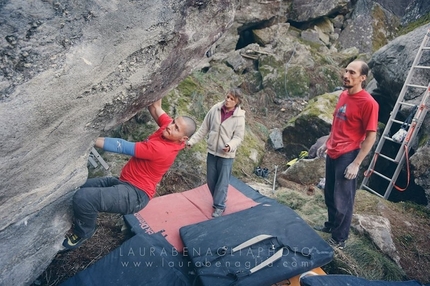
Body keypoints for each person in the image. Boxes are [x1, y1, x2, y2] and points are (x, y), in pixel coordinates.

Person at [62, 98, 196, 250]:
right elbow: (155, 107)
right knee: (78, 189)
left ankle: (84, 232)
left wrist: (88, 139)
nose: (171, 126)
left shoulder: (162, 149)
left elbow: (122, 147)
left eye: (176, 128)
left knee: (83, 198)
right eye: (173, 122)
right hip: (124, 182)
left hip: (135, 195)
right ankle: (83, 216)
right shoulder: (169, 129)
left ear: (183, 139)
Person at [314, 60, 379, 249]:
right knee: (329, 193)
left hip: (348, 155)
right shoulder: (343, 95)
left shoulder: (368, 103)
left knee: (343, 199)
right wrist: (327, 143)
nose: (346, 75)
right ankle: (332, 225)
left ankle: (339, 238)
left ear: (363, 78)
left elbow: (370, 137)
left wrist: (356, 163)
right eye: (346, 71)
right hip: (333, 151)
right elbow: (337, 124)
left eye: (352, 73)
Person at [187, 88, 246, 218]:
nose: (228, 100)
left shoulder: (239, 118)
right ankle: (219, 199)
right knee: (211, 180)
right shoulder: (215, 109)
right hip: (212, 152)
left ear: (237, 102)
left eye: (231, 99)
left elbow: (238, 137)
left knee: (222, 182)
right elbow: (204, 128)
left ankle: (219, 206)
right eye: (227, 97)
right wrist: (192, 141)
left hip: (226, 156)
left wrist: (229, 146)